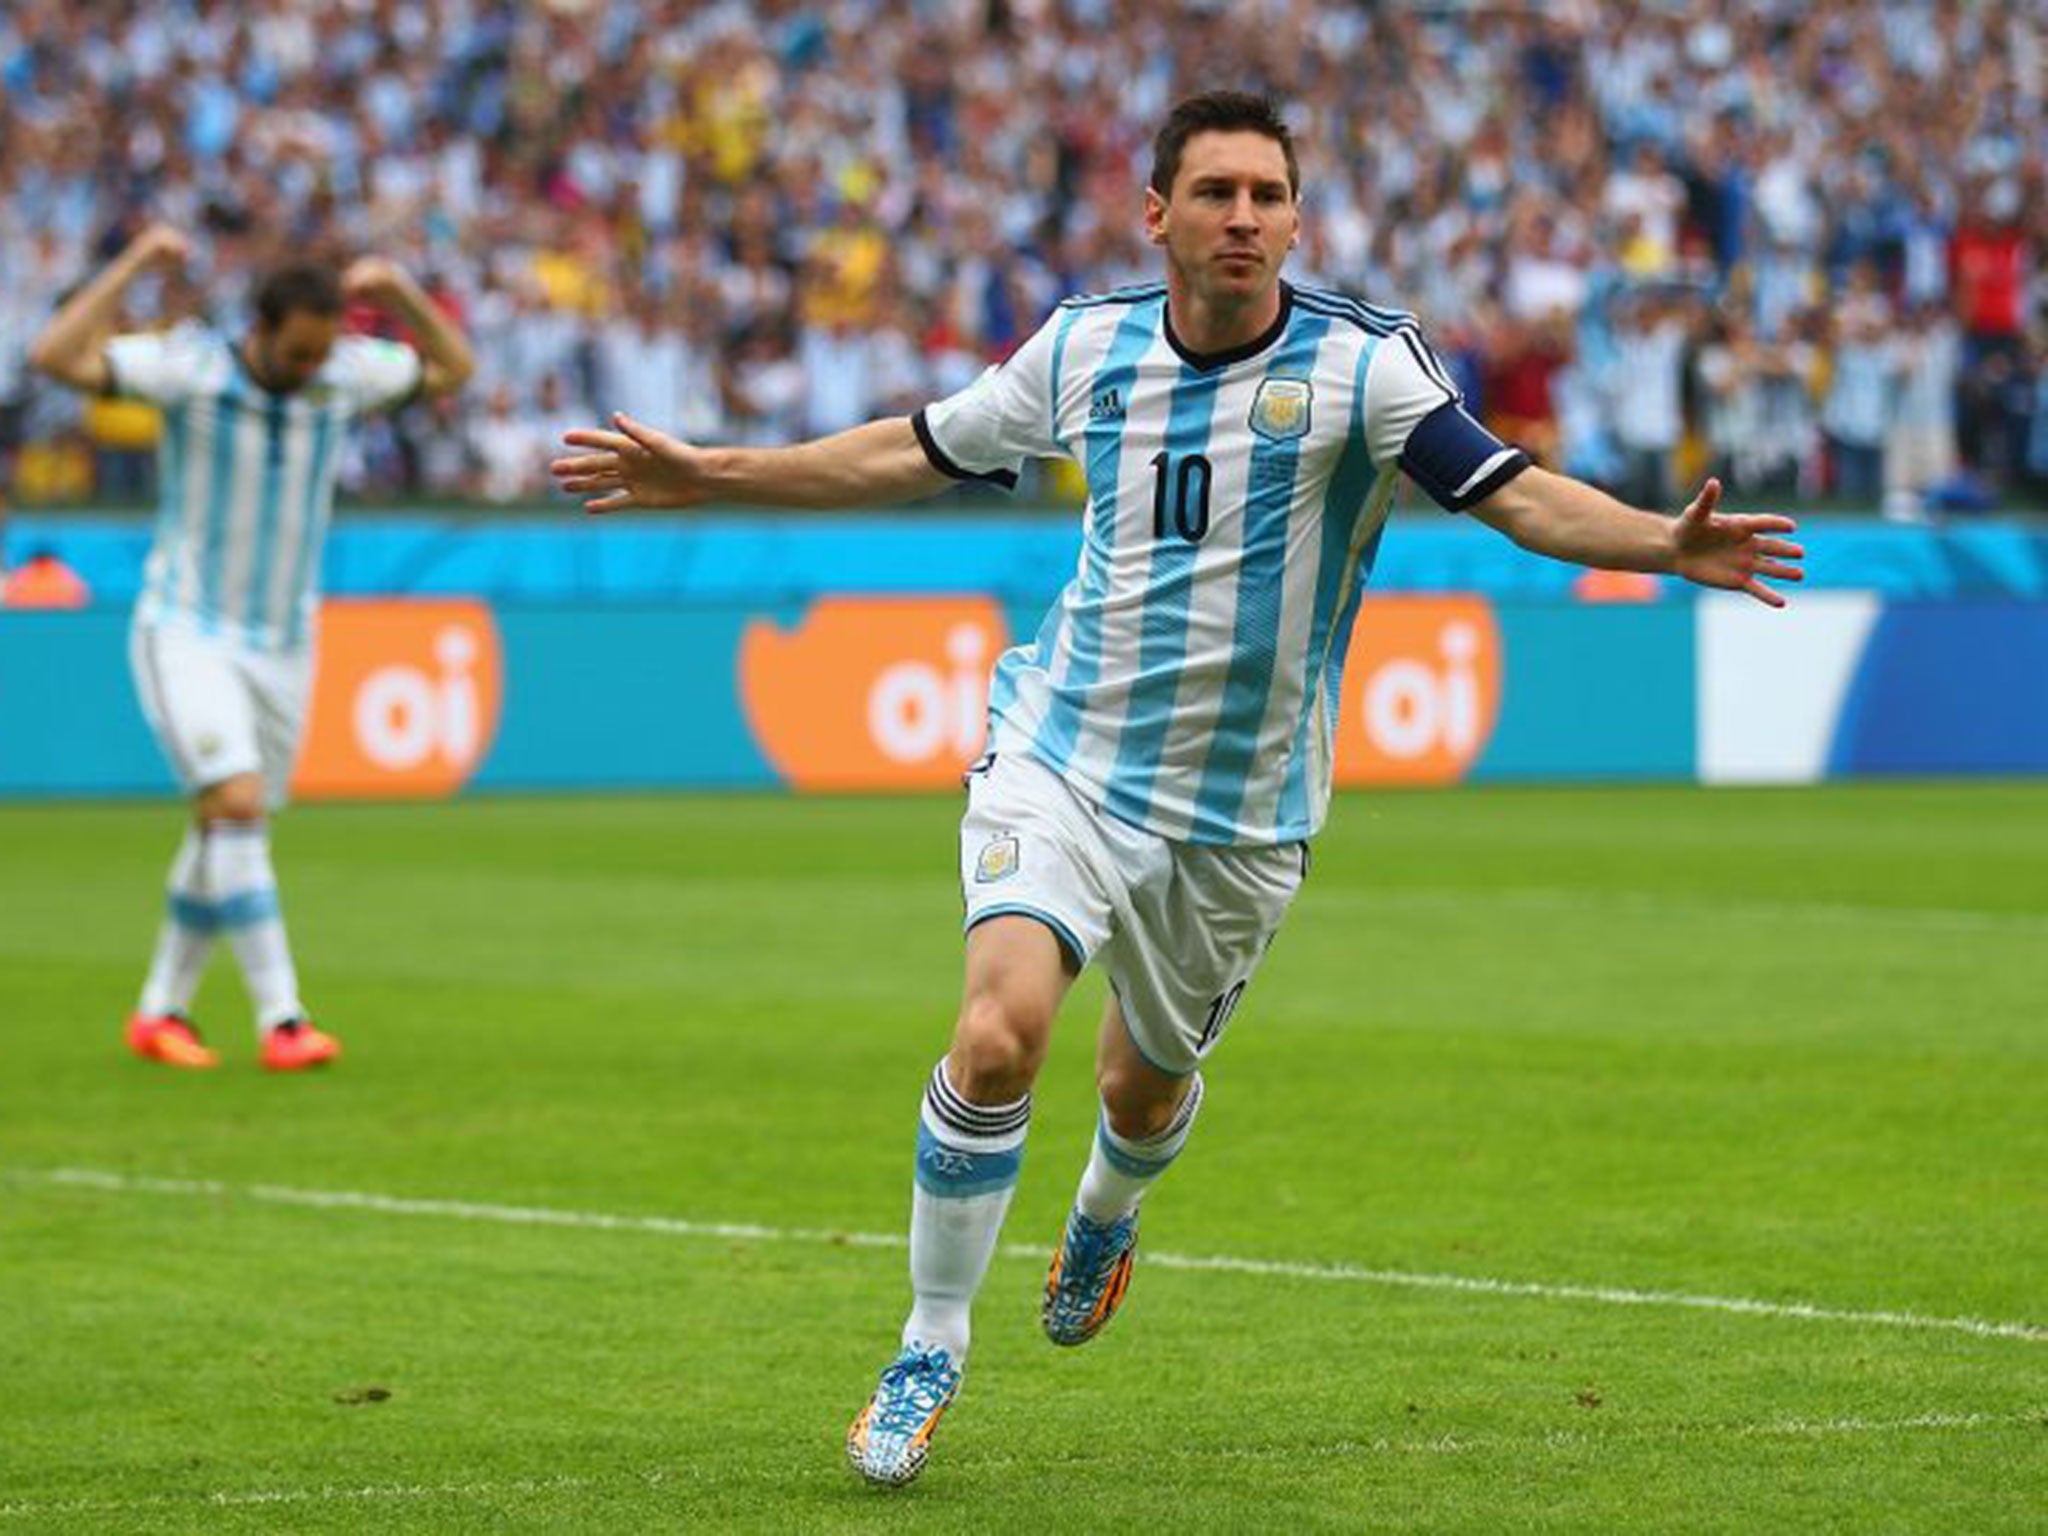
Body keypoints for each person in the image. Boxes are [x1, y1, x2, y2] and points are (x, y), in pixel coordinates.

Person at [550, 91, 1804, 1489]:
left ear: (1296, 216)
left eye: (1267, 194)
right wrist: (712, 469)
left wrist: (1656, 542)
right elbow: (914, 447)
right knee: (999, 1033)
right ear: (1158, 215)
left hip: (1243, 813)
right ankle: (931, 1343)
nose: (1244, 218)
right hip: (1067, 756)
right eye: (1214, 193)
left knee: (1143, 1088)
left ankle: (1103, 1212)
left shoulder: (1363, 368)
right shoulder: (1084, 348)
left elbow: (1510, 493)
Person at [29, 223, 474, 1071]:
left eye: (323, 352)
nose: (312, 368)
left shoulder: (341, 377)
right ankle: (284, 1019)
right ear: (262, 330)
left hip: (283, 641)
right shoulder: (190, 369)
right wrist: (134, 264)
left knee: (231, 824)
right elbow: (56, 355)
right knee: (234, 803)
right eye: (300, 351)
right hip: (186, 625)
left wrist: (399, 295)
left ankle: (161, 1011)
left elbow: (456, 371)